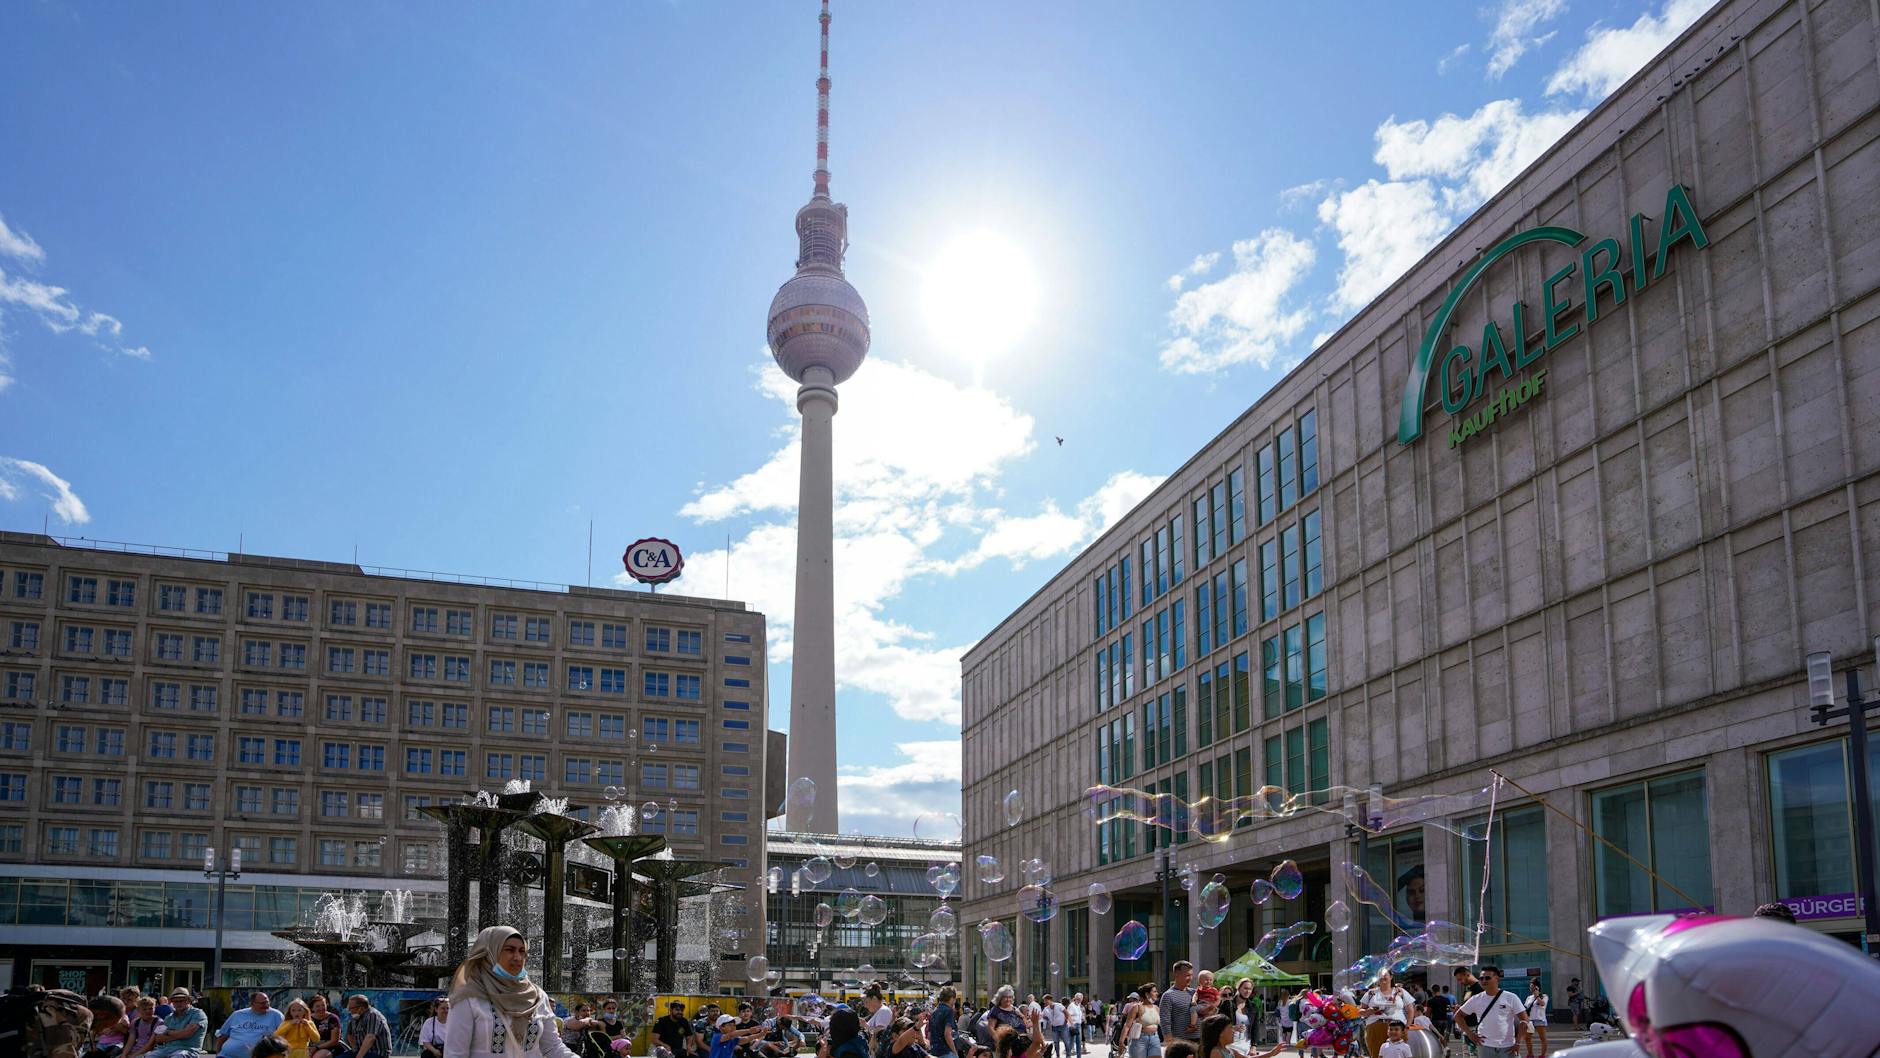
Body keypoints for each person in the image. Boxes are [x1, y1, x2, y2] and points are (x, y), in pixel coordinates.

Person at [442, 926, 579, 1058]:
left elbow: (552, 1047)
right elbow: (455, 1054)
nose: (518, 957)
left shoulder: (537, 996)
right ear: (490, 953)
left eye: (521, 951)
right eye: (510, 950)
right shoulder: (469, 997)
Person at [1453, 967, 1528, 1058]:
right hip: (1485, 1046)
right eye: (1481, 978)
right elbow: (1458, 1016)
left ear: (1497, 979)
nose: (1484, 981)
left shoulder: (1511, 997)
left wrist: (1518, 1042)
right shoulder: (1476, 998)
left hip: (1508, 1046)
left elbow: (1524, 1020)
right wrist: (1470, 1034)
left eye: (1487, 978)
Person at [214, 992, 285, 1058]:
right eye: (262, 1003)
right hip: (227, 1056)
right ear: (252, 1003)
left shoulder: (276, 1015)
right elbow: (222, 1036)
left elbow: (285, 1037)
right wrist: (218, 1054)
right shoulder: (238, 1014)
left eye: (267, 1002)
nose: (266, 1005)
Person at [1359, 971, 1413, 1057]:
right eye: (1379, 975)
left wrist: (1406, 1027)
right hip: (1375, 1026)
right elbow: (1360, 1011)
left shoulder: (1400, 991)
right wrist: (1369, 1011)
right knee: (1376, 1055)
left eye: (1385, 975)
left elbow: (1410, 1010)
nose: (1382, 977)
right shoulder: (1371, 993)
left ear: (1391, 977)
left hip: (1398, 1027)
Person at [146, 990, 208, 1058]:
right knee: (149, 1056)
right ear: (172, 1002)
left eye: (181, 1001)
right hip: (166, 1050)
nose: (178, 1003)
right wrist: (180, 1034)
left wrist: (168, 1032)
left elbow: (187, 1034)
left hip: (187, 1050)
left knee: (178, 1056)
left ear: (188, 1000)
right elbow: (158, 1038)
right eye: (175, 1001)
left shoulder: (197, 1014)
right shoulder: (168, 1017)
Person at [1196, 1014, 1283, 1058]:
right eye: (1230, 1028)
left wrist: (1271, 1053)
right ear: (1220, 1033)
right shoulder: (1216, 1052)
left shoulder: (1229, 1050)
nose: (1234, 1031)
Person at [1157, 962, 1197, 1045]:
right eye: (1187, 975)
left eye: (1191, 975)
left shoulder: (1194, 993)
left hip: (1198, 1040)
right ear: (1176, 975)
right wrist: (1169, 1040)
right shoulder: (1168, 995)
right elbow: (1165, 1020)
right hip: (1180, 1042)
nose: (1190, 978)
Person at [1118, 986, 1158, 1058]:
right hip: (1140, 1039)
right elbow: (1127, 1025)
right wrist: (1121, 1042)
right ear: (1147, 994)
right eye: (1154, 992)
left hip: (1154, 1038)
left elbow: (1164, 1023)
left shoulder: (1156, 1008)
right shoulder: (1136, 1007)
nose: (1157, 994)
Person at [1518, 980, 1548, 1057]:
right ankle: (1530, 1053)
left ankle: (1542, 1055)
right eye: (1530, 987)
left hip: (1540, 1019)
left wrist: (1537, 996)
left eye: (1533, 987)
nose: (1531, 988)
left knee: (1542, 1038)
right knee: (1527, 1037)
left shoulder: (1544, 996)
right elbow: (1525, 1008)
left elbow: (1542, 1004)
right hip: (1530, 1020)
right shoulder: (1529, 997)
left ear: (1537, 987)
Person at [927, 989, 959, 1058]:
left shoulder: (935, 1011)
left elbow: (929, 1034)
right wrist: (955, 1052)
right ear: (951, 999)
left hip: (934, 1051)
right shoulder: (948, 1011)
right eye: (955, 998)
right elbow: (947, 1034)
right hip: (946, 1051)